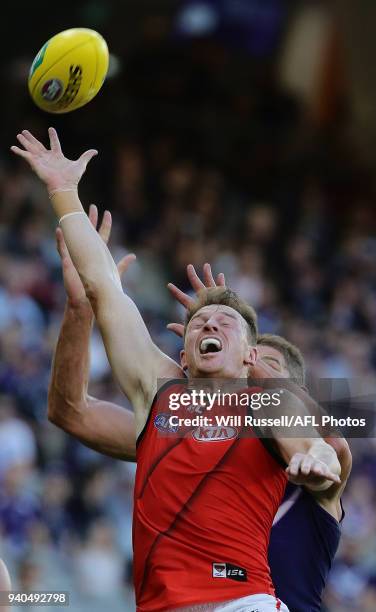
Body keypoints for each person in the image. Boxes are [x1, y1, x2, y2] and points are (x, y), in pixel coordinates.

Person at [12, 129, 341, 612]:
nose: (209, 322)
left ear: (251, 358)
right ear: (182, 356)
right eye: (198, 323)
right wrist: (63, 192)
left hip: (241, 604)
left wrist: (317, 461)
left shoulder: (266, 403)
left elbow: (320, 447)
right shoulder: (158, 394)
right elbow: (105, 287)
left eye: (225, 322)